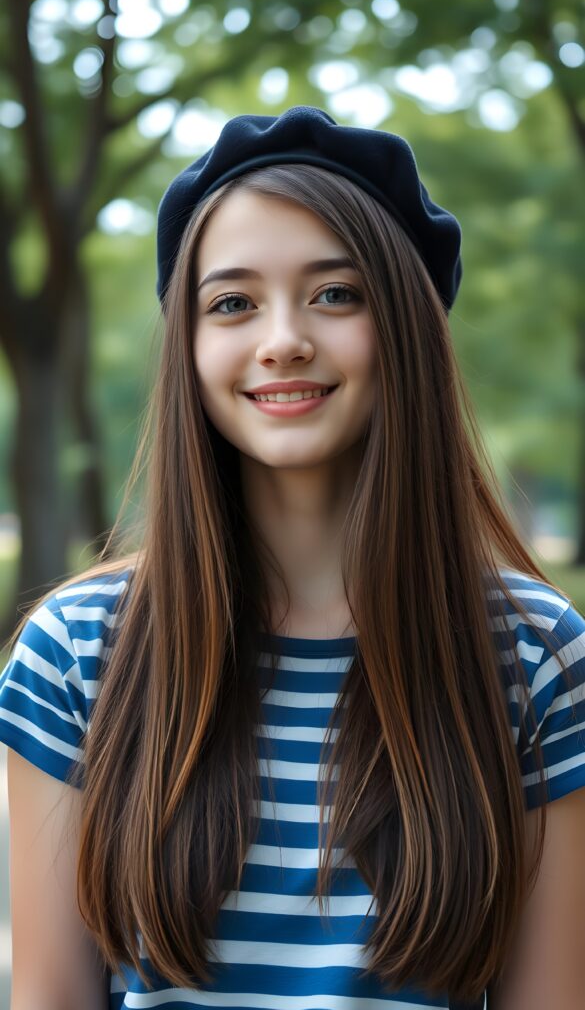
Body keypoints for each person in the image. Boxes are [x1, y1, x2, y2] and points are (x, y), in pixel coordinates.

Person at [1, 105, 585, 1010]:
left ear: (405, 329)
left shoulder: (537, 657)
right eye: (231, 303)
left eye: (335, 293)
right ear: (189, 350)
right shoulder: (77, 653)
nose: (282, 338)